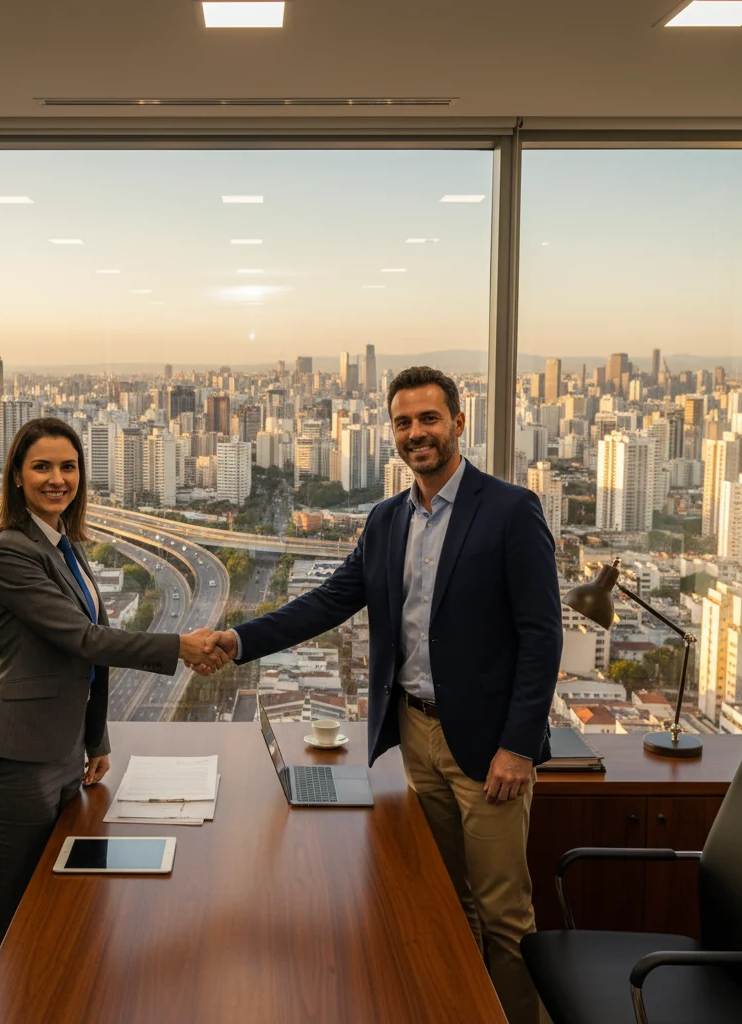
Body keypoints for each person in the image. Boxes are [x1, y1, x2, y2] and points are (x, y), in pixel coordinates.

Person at [198, 367, 561, 1024]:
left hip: (489, 749)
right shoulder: (387, 519)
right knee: (445, 903)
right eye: (403, 422)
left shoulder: (511, 510)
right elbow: (328, 602)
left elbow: (542, 636)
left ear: (458, 423)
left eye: (428, 418)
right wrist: (239, 640)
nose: (416, 433)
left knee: (504, 914)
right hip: (416, 736)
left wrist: (518, 746)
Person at [0, 416, 227, 943]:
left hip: (63, 750)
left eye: (69, 467)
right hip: (17, 756)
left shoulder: (62, 543)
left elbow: (86, 657)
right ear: (17, 475)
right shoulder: (11, 551)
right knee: (22, 913)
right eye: (42, 467)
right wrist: (178, 646)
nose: (57, 479)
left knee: (64, 899)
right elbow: (84, 640)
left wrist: (96, 739)